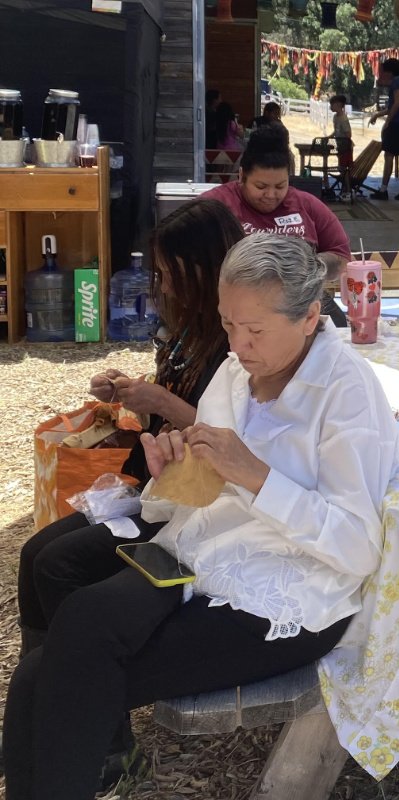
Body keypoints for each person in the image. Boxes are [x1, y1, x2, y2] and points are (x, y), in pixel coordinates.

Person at [3, 233, 399, 800]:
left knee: (74, 660)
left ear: (311, 316)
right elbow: (190, 502)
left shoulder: (347, 393)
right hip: (204, 559)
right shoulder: (239, 371)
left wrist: (257, 475)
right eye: (228, 324)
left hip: (288, 597)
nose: (238, 345)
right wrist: (172, 473)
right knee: (57, 654)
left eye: (255, 330)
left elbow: (358, 546)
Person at [11, 199, 243, 787]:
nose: (159, 284)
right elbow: (172, 412)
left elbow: (239, 441)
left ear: (205, 266)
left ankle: (103, 742)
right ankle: (60, 712)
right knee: (37, 554)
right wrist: (130, 397)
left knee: (62, 566)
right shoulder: (190, 324)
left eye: (168, 271)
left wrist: (161, 403)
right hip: (160, 481)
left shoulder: (243, 336)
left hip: (202, 501)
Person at [204, 126, 350, 326]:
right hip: (232, 313)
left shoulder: (307, 205)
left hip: (298, 309)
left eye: (281, 186)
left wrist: (306, 268)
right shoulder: (215, 206)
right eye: (261, 187)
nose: (271, 195)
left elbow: (341, 257)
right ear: (241, 177)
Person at [368, 57, 399, 201]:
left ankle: (383, 190)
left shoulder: (397, 82)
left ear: (389, 72)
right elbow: (394, 106)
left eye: (384, 72)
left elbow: (397, 103)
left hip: (397, 124)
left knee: (389, 156)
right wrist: (378, 114)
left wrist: (387, 122)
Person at [329, 94, 354, 198]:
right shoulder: (335, 117)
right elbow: (336, 131)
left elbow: (348, 134)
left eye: (332, 104)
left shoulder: (343, 118)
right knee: (341, 168)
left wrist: (342, 141)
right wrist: (329, 137)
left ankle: (348, 189)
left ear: (339, 105)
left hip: (346, 147)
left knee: (345, 169)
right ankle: (345, 188)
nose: (330, 106)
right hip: (339, 146)